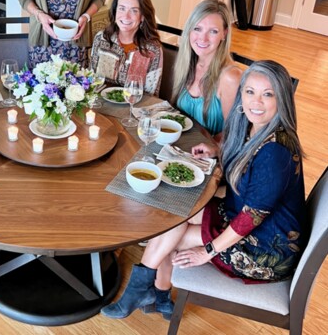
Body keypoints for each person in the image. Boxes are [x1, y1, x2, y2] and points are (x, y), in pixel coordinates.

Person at [101, 60, 306, 321]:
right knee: (175, 215)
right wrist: (217, 151)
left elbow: (252, 216)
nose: (257, 101)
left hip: (267, 246)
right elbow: (248, 165)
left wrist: (207, 251)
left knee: (175, 237)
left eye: (268, 94)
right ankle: (156, 296)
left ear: (282, 99)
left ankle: (146, 292)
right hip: (246, 217)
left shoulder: (276, 151)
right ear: (241, 94)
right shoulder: (255, 126)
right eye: (250, 91)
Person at [172, 0, 242, 138]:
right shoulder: (187, 63)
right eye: (197, 29)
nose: (202, 38)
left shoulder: (230, 77)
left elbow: (235, 132)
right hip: (179, 146)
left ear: (224, 33)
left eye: (213, 31)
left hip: (207, 155)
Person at [90, 0, 163, 95]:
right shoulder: (101, 39)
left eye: (134, 10)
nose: (126, 16)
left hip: (134, 108)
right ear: (115, 11)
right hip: (100, 106)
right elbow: (92, 81)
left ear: (142, 16)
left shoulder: (153, 50)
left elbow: (151, 95)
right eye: (122, 8)